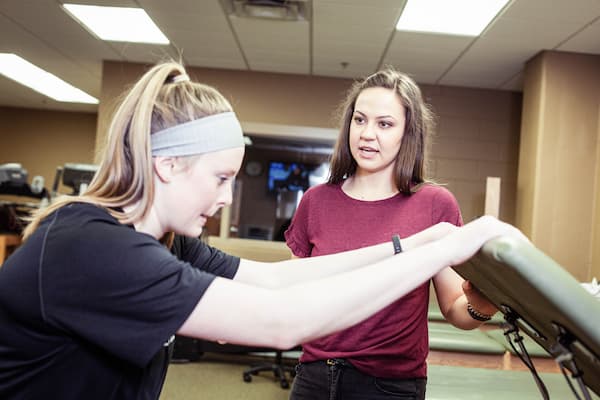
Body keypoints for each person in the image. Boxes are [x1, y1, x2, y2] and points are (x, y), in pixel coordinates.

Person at [0, 61, 527, 400]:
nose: (228, 198)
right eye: (222, 178)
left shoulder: (166, 241)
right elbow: (281, 323)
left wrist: (418, 243)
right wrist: (443, 249)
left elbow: (276, 282)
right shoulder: (94, 247)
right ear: (167, 165)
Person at [285, 68, 498, 399]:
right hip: (314, 376)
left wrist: (481, 305)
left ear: (407, 133)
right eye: (360, 120)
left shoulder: (433, 204)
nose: (367, 134)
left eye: (384, 124)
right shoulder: (316, 201)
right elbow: (292, 292)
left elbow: (455, 307)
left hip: (389, 386)